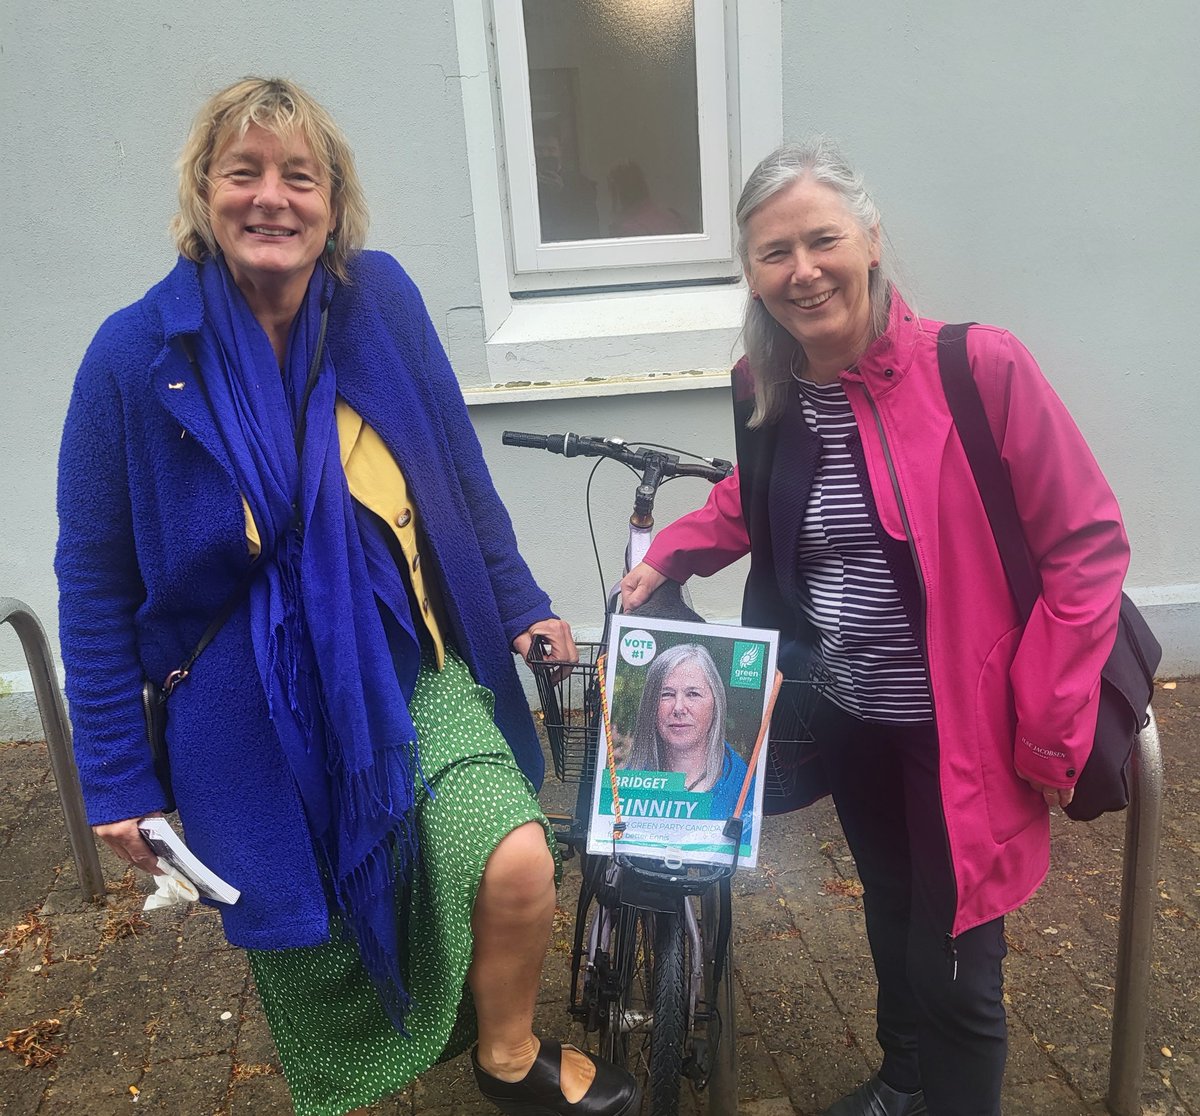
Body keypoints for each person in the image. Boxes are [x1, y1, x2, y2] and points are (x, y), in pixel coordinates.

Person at [55, 77, 638, 1116]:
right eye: (244, 172)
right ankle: (359, 1078)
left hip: (412, 667)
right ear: (203, 193)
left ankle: (506, 1057)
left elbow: (457, 476)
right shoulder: (132, 357)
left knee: (512, 858)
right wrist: (115, 777)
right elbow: (95, 580)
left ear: (333, 201)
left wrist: (521, 603)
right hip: (246, 718)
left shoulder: (383, 303)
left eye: (299, 175)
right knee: (318, 948)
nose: (271, 197)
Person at [620, 139, 1129, 1116]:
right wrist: (669, 553)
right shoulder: (762, 385)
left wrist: (1049, 719)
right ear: (751, 271)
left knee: (957, 962)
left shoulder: (978, 367)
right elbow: (754, 501)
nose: (803, 270)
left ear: (871, 241)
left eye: (823, 241)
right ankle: (902, 1081)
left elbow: (1087, 546)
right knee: (893, 914)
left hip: (965, 733)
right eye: (776, 252)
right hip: (848, 711)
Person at [625, 642, 748, 820]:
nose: (679, 708)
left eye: (693, 694)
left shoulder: (742, 784)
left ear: (716, 704)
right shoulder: (624, 783)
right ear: (650, 706)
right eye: (666, 694)